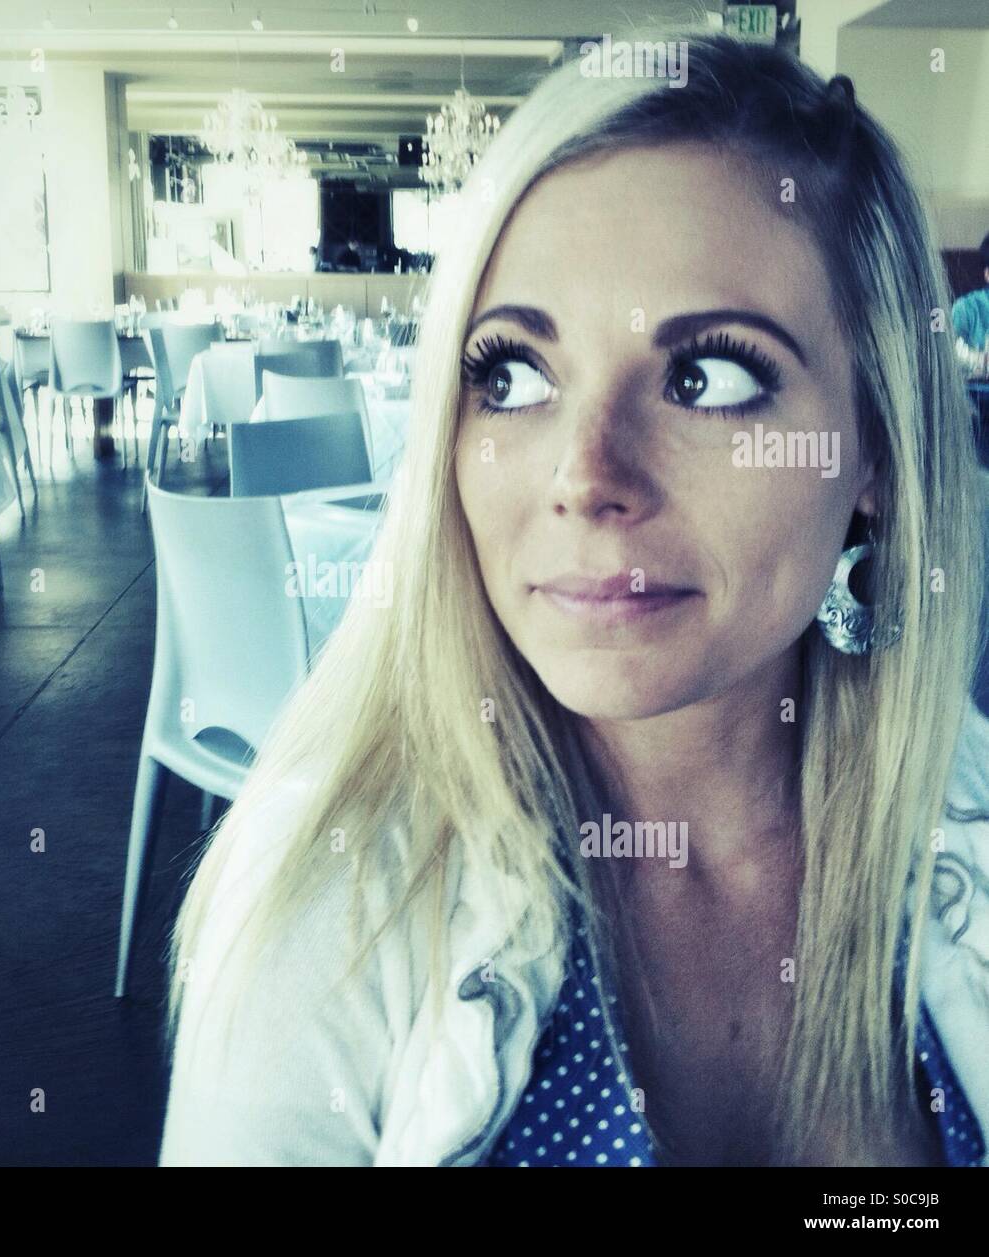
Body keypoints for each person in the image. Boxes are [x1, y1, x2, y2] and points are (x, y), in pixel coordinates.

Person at [156, 33, 989, 1167]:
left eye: (708, 378)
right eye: (512, 376)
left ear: (876, 451)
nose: (584, 478)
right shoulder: (332, 908)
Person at [952, 231, 989, 368]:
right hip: (975, 386)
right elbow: (951, 355)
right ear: (987, 274)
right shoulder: (966, 308)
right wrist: (979, 359)